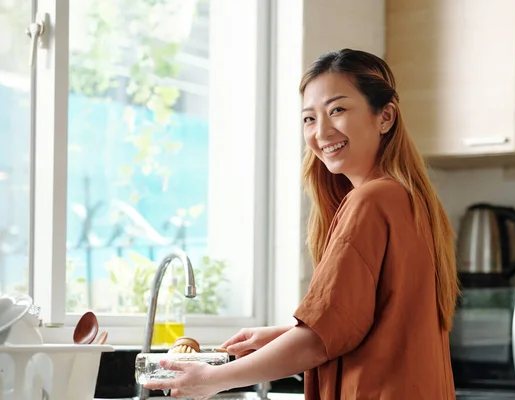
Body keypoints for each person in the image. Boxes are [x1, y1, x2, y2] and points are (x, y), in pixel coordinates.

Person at [144, 48, 460, 399]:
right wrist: (284, 334)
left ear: (385, 116)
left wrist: (212, 379)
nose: (321, 131)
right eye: (309, 118)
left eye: (337, 109)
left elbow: (316, 344)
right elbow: (369, 325)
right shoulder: (410, 201)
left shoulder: (371, 201)